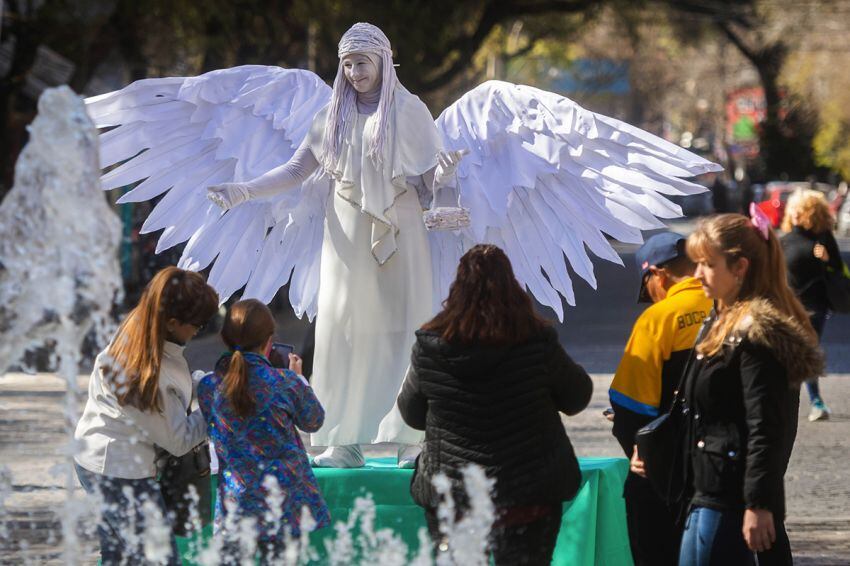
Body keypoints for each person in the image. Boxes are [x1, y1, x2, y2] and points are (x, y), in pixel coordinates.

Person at [207, 22, 465, 468]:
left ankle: (413, 437)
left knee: (408, 327)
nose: (353, 73)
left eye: (361, 63)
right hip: (345, 233)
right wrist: (244, 189)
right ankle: (344, 439)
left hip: (401, 230)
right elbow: (295, 170)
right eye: (346, 64)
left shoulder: (410, 112)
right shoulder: (331, 117)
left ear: (384, 61)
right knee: (342, 329)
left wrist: (444, 178)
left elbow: (430, 184)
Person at [631, 211, 823, 565]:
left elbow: (765, 427)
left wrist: (759, 505)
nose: (697, 273)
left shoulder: (755, 332)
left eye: (707, 264)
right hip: (704, 492)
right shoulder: (719, 320)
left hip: (729, 500)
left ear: (739, 268)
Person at [396, 244, 593, 566]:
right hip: (528, 492)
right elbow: (577, 398)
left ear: (456, 288)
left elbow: (412, 414)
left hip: (454, 494)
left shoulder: (430, 346)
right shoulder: (537, 341)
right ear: (511, 285)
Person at [74, 266, 219, 565]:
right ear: (173, 322)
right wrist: (215, 404)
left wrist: (205, 383)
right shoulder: (142, 373)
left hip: (101, 458)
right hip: (117, 471)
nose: (198, 331)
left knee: (119, 556)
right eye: (198, 325)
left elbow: (175, 386)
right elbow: (180, 440)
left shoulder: (143, 326)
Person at [197, 299, 329, 563]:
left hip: (237, 503)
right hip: (283, 504)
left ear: (225, 339)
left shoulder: (209, 387)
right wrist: (300, 379)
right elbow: (314, 420)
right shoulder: (286, 382)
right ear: (269, 343)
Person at [608, 231, 712, 566]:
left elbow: (629, 405)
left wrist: (640, 454)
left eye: (646, 286)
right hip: (722, 467)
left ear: (658, 274)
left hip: (666, 479)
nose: (650, 296)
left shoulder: (657, 319)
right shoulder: (730, 307)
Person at [781, 189, 846, 421]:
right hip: (787, 306)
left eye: (802, 209)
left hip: (815, 305)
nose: (796, 213)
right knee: (790, 352)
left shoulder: (823, 237)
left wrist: (827, 259)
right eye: (794, 209)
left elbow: (838, 269)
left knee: (808, 348)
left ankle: (816, 401)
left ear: (813, 212)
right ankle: (788, 400)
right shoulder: (784, 239)